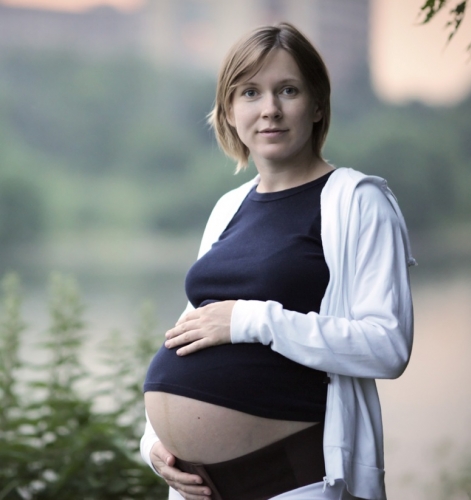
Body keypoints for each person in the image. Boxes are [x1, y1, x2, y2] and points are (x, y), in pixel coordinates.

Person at [140, 22, 415, 500]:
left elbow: (387, 346)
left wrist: (252, 320)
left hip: (294, 481)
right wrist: (154, 445)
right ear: (230, 110)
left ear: (317, 104)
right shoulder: (228, 207)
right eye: (250, 93)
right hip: (201, 489)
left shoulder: (356, 201)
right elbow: (191, 332)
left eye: (288, 90)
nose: (270, 109)